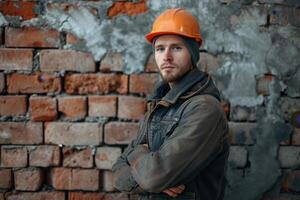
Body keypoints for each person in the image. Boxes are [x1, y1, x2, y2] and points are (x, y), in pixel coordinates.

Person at [112, 8, 229, 200]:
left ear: (193, 53)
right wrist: (150, 177)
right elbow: (116, 173)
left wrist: (136, 154)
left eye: (176, 48)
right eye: (160, 49)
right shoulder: (160, 104)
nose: (166, 57)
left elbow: (152, 178)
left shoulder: (204, 109)